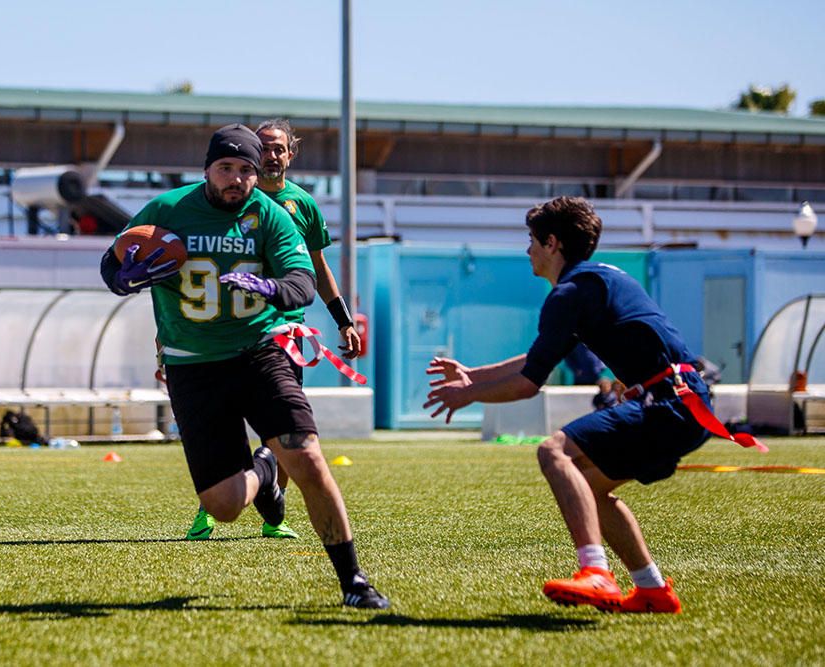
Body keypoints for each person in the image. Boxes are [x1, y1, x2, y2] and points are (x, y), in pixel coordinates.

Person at [424, 196, 765, 614]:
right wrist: (474, 376)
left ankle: (597, 573)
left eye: (531, 240)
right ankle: (652, 589)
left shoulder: (570, 293)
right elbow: (537, 358)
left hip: (668, 403)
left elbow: (529, 383)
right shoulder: (594, 281)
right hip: (682, 401)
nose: (527, 249)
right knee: (587, 484)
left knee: (553, 451)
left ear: (552, 243)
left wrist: (468, 394)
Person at [100, 124, 388, 609]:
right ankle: (265, 471)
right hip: (193, 365)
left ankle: (354, 581)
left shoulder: (271, 215)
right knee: (225, 505)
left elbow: (303, 282)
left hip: (261, 352)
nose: (237, 179)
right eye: (226, 168)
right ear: (207, 169)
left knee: (310, 457)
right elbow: (113, 262)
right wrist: (124, 278)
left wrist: (272, 289)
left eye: (246, 170)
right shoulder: (167, 210)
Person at [186, 118, 362, 542]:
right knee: (221, 424)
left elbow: (318, 270)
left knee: (284, 428)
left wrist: (344, 320)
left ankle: (274, 514)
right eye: (263, 147)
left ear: (291, 153)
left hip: (283, 333)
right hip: (223, 331)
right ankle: (209, 508)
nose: (271, 154)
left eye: (279, 148)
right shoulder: (225, 201)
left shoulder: (303, 206)